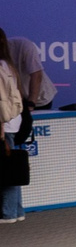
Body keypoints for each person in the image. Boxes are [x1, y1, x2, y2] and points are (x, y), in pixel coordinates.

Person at [0, 26, 28, 225]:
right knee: (12, 168)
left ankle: (8, 212)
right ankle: (16, 210)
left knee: (7, 169)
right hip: (12, 122)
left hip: (4, 124)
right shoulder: (8, 65)